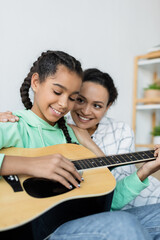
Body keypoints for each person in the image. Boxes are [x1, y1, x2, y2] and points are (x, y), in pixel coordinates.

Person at [0, 50, 154, 240]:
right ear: (36, 82)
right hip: (39, 231)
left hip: (81, 222)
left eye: (73, 97)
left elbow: (106, 202)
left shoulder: (73, 138)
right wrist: (29, 165)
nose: (64, 104)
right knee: (124, 224)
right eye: (57, 92)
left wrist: (145, 171)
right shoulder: (14, 125)